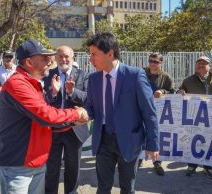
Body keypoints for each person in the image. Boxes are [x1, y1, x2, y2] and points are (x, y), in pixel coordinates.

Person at [0, 40, 89, 194]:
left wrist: (75, 121)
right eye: (44, 58)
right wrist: (77, 113)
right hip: (18, 165)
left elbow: (43, 118)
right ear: (29, 62)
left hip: (35, 162)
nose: (50, 61)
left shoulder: (33, 83)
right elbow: (45, 115)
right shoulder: (18, 84)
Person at [85, 32, 159, 193]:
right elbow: (90, 107)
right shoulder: (93, 79)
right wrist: (81, 115)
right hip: (103, 139)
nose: (90, 58)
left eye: (94, 54)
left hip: (129, 140)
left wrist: (152, 144)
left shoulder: (135, 75)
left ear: (110, 53)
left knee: (127, 187)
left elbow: (149, 112)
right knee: (103, 187)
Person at [43, 46, 89, 194]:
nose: (64, 59)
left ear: (73, 57)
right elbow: (41, 101)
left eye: (67, 56)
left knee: (73, 169)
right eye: (60, 56)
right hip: (52, 130)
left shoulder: (83, 75)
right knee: (51, 169)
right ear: (55, 58)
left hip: (74, 130)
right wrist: (53, 93)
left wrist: (72, 92)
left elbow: (88, 100)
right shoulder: (47, 75)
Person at [179, 56, 212, 179]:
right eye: (199, 63)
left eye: (204, 63)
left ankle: (208, 167)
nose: (201, 65)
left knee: (210, 141)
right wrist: (180, 91)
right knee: (193, 140)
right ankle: (192, 165)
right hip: (194, 117)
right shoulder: (188, 80)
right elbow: (180, 90)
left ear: (209, 66)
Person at [138, 52, 174, 176]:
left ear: (161, 63)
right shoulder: (141, 73)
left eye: (155, 61)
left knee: (156, 135)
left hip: (158, 112)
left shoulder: (166, 77)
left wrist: (162, 91)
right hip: (140, 108)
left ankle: (157, 162)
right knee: (140, 133)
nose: (152, 64)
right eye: (150, 61)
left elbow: (172, 92)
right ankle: (139, 158)